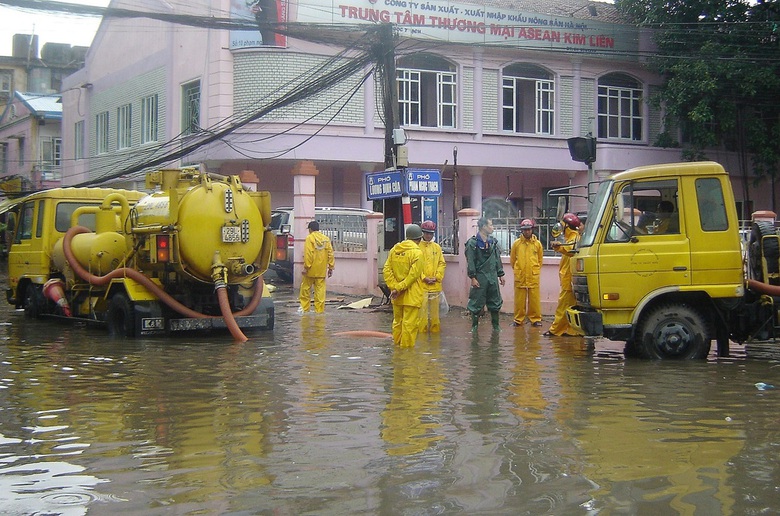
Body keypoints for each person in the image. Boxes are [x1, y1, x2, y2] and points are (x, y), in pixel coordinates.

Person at [383, 224, 425, 347]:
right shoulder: (417, 253)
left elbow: (387, 270)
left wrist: (394, 287)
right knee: (409, 325)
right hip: (412, 296)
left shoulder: (394, 250)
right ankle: (406, 353)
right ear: (419, 239)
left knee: (397, 323)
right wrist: (399, 287)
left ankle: (397, 349)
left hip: (396, 296)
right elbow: (413, 276)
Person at [544, 213, 582, 337]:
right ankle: (572, 330)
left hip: (568, 279)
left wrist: (559, 247)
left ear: (567, 226)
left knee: (563, 306)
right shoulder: (573, 238)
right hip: (569, 279)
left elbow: (570, 250)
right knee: (572, 306)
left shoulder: (574, 239)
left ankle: (556, 330)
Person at [465, 217, 506, 332]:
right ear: (483, 227)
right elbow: (471, 261)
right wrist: (473, 277)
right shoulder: (472, 243)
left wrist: (501, 274)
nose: (492, 227)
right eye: (491, 225)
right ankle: (474, 326)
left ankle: (496, 326)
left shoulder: (493, 242)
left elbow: (497, 259)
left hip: (492, 275)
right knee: (476, 301)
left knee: (495, 301)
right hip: (480, 276)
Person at [509, 218, 544, 327]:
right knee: (519, 300)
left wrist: (535, 270)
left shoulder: (537, 244)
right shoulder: (516, 244)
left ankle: (535, 319)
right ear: (522, 230)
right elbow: (512, 260)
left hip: (533, 275)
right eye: (525, 230)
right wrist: (518, 270)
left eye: (529, 229)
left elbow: (540, 260)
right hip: (520, 275)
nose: (527, 232)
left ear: (532, 230)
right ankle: (518, 319)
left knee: (534, 299)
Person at [298, 220, 334, 314]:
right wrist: (331, 267)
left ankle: (305, 309)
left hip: (310, 270)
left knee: (305, 289)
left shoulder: (309, 238)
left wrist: (306, 267)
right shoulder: (326, 239)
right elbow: (330, 254)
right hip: (321, 270)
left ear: (310, 229)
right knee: (320, 292)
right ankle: (319, 311)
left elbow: (308, 254)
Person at [418, 220, 447, 333]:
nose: (428, 235)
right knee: (422, 316)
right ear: (422, 233)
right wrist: (423, 277)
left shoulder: (437, 247)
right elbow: (414, 266)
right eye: (426, 233)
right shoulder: (417, 247)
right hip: (422, 287)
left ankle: (435, 337)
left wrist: (437, 277)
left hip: (435, 287)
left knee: (435, 317)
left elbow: (442, 263)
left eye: (430, 233)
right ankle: (422, 337)